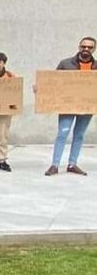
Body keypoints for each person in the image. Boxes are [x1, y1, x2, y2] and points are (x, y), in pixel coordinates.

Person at [44, 37, 94, 176]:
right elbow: (52, 82)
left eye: (89, 47)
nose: (86, 49)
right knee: (63, 133)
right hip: (67, 105)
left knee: (79, 135)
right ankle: (54, 165)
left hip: (87, 107)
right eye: (83, 46)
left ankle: (72, 164)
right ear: (79, 47)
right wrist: (40, 88)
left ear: (94, 49)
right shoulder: (65, 64)